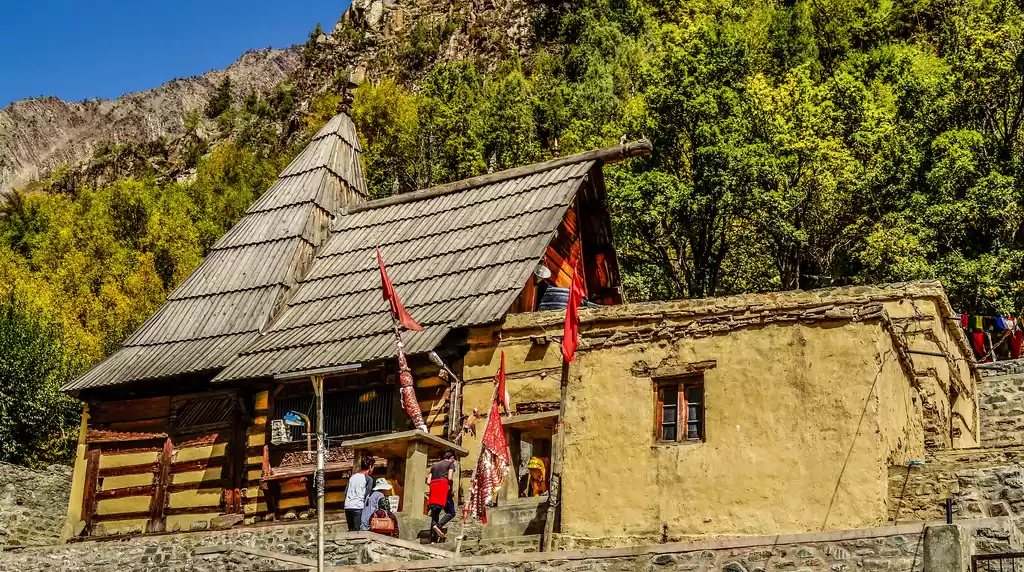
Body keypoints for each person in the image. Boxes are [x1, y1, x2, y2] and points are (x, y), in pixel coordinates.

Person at [426, 450, 457, 541]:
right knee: (451, 512)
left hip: (434, 488)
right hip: (443, 488)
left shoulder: (434, 465)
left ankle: (432, 540)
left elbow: (428, 481)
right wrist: (449, 487)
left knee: (435, 513)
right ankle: (438, 526)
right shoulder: (450, 464)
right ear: (452, 458)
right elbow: (450, 477)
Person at [344, 456, 374, 532]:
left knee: (350, 530)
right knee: (357, 532)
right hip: (358, 507)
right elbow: (367, 494)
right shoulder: (368, 479)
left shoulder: (352, 477)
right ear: (370, 467)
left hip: (348, 506)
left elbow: (346, 492)